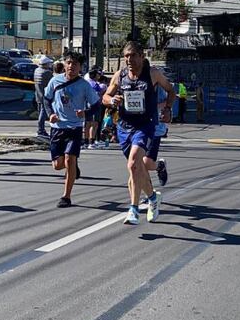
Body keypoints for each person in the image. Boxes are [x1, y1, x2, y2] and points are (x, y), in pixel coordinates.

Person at [103, 42, 175, 225]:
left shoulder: (153, 74)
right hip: (124, 127)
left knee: (134, 161)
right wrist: (112, 100)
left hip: (145, 125)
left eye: (133, 55)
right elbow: (104, 97)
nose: (129, 59)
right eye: (126, 56)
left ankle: (133, 209)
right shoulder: (120, 76)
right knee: (137, 168)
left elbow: (171, 90)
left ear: (142, 56)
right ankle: (152, 198)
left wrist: (167, 108)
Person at [43, 51, 101, 208]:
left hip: (75, 127)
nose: (71, 66)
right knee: (58, 165)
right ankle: (73, 168)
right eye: (69, 63)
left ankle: (66, 197)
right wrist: (51, 114)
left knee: (69, 158)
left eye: (75, 64)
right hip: (57, 128)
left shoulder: (84, 85)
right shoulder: (55, 81)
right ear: (64, 64)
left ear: (80, 67)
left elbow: (97, 105)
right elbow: (46, 100)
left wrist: (85, 113)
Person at [83, 68, 105, 148]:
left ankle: (86, 142)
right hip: (94, 104)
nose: (99, 75)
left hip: (87, 104)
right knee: (94, 123)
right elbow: (100, 92)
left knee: (87, 123)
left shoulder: (87, 83)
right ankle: (91, 142)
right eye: (98, 74)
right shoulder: (94, 84)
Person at [33, 55, 53, 139]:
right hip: (44, 95)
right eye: (49, 63)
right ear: (45, 64)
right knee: (43, 112)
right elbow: (52, 81)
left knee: (40, 112)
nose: (50, 65)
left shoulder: (37, 70)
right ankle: (41, 130)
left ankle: (40, 129)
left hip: (38, 94)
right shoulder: (46, 72)